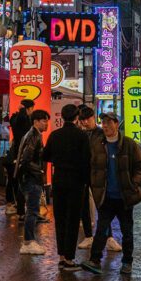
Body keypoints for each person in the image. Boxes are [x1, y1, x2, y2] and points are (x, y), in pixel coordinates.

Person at [80, 112, 141, 276]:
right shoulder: (98, 145)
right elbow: (92, 167)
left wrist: (133, 184)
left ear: (117, 124)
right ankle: (95, 260)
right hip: (105, 197)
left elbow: (140, 166)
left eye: (110, 122)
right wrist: (95, 186)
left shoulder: (129, 144)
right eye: (104, 123)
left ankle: (127, 262)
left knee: (127, 231)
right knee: (101, 230)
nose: (106, 126)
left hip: (124, 197)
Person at [43, 104, 90, 270]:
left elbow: (45, 155)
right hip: (76, 181)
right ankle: (69, 258)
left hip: (59, 179)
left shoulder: (55, 135)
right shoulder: (81, 136)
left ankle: (62, 255)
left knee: (60, 218)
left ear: (62, 117)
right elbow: (86, 160)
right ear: (77, 117)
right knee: (73, 219)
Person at [76, 106, 122, 252]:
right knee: (83, 206)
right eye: (82, 120)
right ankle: (89, 236)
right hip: (83, 174)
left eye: (87, 119)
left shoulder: (101, 133)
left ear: (92, 118)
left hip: (99, 175)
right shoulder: (80, 134)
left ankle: (109, 238)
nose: (84, 123)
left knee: (102, 205)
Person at [15, 109, 49, 255]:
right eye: (44, 121)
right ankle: (28, 241)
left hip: (27, 178)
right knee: (32, 210)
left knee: (32, 210)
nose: (46, 123)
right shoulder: (33, 136)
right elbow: (26, 159)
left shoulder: (32, 135)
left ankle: (29, 241)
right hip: (31, 178)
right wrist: (40, 172)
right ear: (36, 121)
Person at [5, 99, 34, 217]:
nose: (32, 111)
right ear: (28, 108)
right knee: (21, 180)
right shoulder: (25, 120)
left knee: (13, 179)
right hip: (21, 153)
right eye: (31, 108)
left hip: (13, 153)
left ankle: (12, 204)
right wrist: (23, 111)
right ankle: (20, 209)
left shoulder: (14, 118)